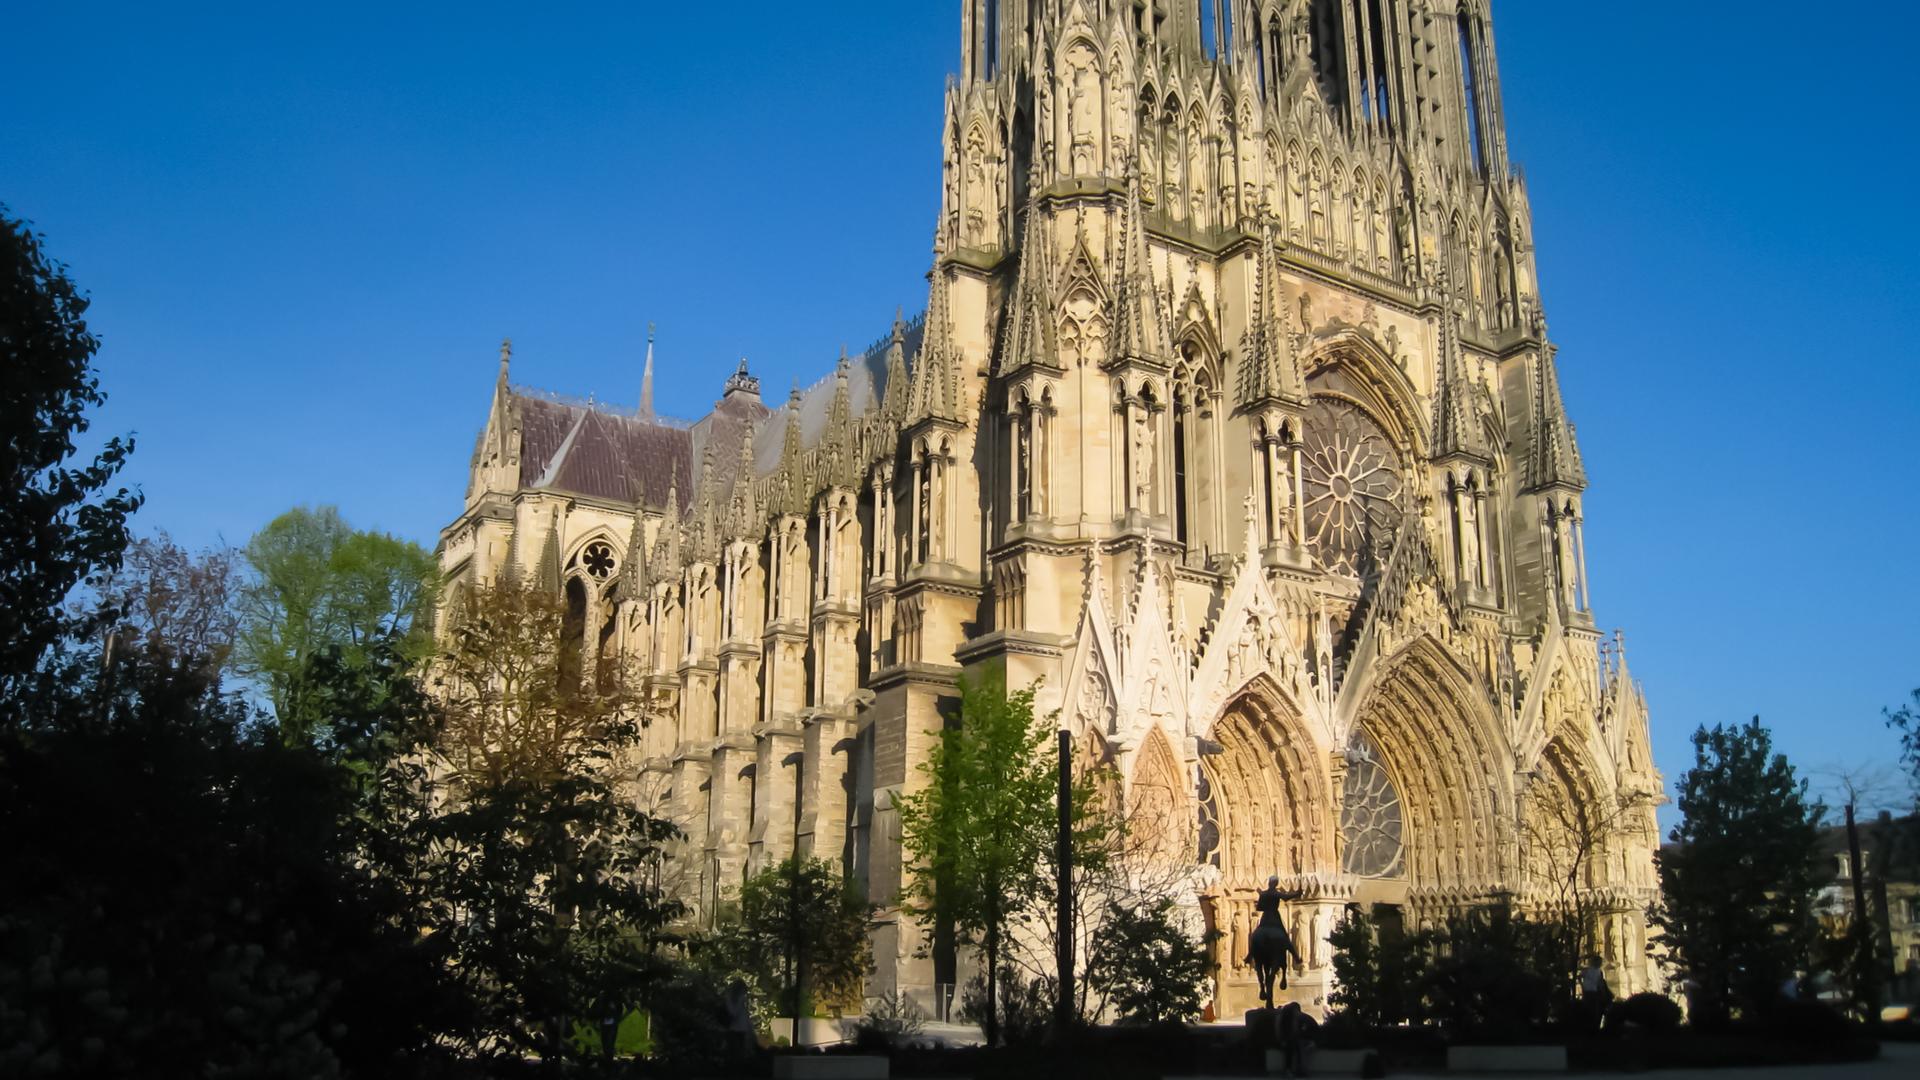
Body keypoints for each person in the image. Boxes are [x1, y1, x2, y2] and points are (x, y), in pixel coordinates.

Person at [1580, 955, 1612, 1032]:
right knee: (1593, 1011)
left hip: (1589, 992)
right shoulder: (1596, 971)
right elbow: (1600, 984)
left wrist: (1582, 985)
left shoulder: (1588, 970)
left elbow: (1580, 977)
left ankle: (1591, 1027)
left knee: (1590, 1011)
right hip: (1592, 993)